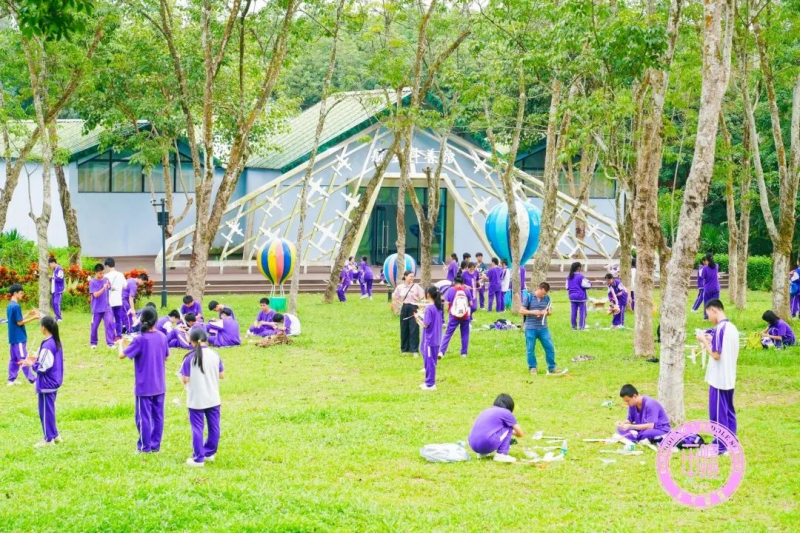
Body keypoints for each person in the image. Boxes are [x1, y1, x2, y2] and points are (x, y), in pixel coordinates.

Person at [118, 307, 170, 453]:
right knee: (158, 417)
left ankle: (144, 446)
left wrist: (121, 344)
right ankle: (155, 445)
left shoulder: (140, 339)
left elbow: (122, 356)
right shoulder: (162, 337)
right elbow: (167, 357)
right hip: (159, 384)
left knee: (143, 417)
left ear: (141, 320)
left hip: (144, 386)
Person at [695, 299, 739, 454]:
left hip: (719, 379)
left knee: (717, 414)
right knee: (728, 412)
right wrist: (710, 340)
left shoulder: (721, 328)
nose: (709, 319)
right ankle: (731, 444)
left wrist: (703, 341)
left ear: (714, 310)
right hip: (729, 377)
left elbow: (715, 355)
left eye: (708, 315)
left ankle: (720, 446)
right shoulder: (732, 328)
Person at [181, 328, 224, 467]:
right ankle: (209, 452)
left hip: (196, 399)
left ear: (192, 341)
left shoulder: (189, 358)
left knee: (197, 428)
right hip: (213, 398)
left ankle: (198, 458)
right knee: (214, 426)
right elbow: (222, 375)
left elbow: (185, 379)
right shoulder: (215, 355)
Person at [19, 316, 64, 447]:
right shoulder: (55, 341)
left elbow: (43, 367)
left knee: (44, 411)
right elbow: (48, 360)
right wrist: (36, 358)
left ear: (43, 328)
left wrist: (30, 364)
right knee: (49, 409)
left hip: (47, 383)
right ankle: (55, 435)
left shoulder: (48, 345)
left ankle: (48, 439)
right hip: (54, 381)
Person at [520, 283, 565, 375]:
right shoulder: (529, 297)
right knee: (530, 349)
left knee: (550, 347)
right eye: (542, 293)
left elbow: (550, 311)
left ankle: (552, 367)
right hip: (530, 328)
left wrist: (546, 312)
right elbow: (521, 310)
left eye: (545, 294)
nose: (543, 295)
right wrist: (533, 312)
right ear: (538, 288)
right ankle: (532, 367)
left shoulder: (547, 298)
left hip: (543, 328)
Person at [467, 393, 524, 463]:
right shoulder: (506, 412)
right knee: (509, 426)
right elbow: (520, 433)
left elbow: (475, 425)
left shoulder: (485, 411)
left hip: (472, 444)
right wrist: (510, 433)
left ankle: (482, 454)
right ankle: (501, 454)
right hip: (487, 443)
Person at [6, 284, 39, 386]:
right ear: (15, 293)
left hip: (13, 338)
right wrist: (34, 318)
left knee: (14, 359)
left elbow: (17, 319)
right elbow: (19, 322)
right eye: (20, 293)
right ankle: (33, 380)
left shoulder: (10, 305)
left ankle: (11, 380)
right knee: (23, 359)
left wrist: (28, 314)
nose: (22, 295)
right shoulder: (16, 306)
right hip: (19, 338)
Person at [439, 274, 475, 359]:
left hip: (453, 316)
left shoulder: (451, 290)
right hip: (465, 315)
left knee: (448, 334)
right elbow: (471, 303)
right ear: (462, 282)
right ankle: (464, 353)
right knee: (465, 333)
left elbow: (447, 303)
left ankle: (441, 351)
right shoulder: (466, 290)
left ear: (454, 282)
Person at [417, 286, 443, 391]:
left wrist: (418, 319)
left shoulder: (429, 308)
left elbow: (426, 324)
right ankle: (429, 382)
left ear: (428, 295)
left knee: (429, 362)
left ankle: (430, 384)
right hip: (437, 338)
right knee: (432, 361)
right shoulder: (438, 307)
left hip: (430, 339)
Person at [392, 270, 425, 356]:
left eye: (413, 276)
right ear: (405, 276)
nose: (412, 278)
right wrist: (399, 304)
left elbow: (422, 296)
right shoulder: (400, 287)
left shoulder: (416, 287)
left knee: (414, 329)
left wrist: (421, 306)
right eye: (410, 276)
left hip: (414, 307)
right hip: (404, 308)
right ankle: (404, 349)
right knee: (404, 328)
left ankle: (414, 350)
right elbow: (395, 297)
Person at [89, 264, 115, 349]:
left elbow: (110, 287)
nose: (102, 275)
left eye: (103, 273)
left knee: (109, 324)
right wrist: (104, 288)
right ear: (96, 273)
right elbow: (95, 295)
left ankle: (110, 343)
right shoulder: (92, 282)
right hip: (96, 308)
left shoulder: (106, 279)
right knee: (94, 327)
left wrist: (110, 286)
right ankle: (93, 343)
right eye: (100, 273)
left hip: (107, 307)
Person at [104, 258, 126, 340]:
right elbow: (125, 286)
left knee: (110, 319)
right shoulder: (120, 275)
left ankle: (112, 336)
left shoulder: (106, 276)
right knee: (118, 319)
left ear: (107, 266)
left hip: (110, 301)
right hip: (118, 301)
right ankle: (119, 335)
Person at [566, 262, 591, 330]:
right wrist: (590, 283)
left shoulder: (569, 277)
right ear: (579, 268)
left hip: (572, 296)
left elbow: (567, 287)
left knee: (573, 312)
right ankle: (581, 326)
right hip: (580, 296)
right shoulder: (581, 276)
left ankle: (574, 326)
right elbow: (586, 285)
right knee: (583, 312)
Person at [702, 253, 721, 320]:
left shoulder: (705, 268)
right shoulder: (716, 266)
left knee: (707, 303)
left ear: (706, 259)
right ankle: (716, 317)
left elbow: (703, 277)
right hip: (716, 288)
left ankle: (706, 317)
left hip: (708, 288)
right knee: (715, 304)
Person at [48, 257, 65, 322]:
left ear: (53, 263)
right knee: (53, 304)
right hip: (53, 290)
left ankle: (59, 318)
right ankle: (56, 317)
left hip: (58, 289)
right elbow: (54, 279)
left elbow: (60, 278)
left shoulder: (59, 269)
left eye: (50, 264)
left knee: (56, 303)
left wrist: (52, 277)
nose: (50, 266)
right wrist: (50, 278)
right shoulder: (54, 269)